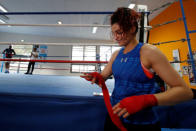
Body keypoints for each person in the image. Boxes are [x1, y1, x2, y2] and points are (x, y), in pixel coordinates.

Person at [81, 7, 193, 131]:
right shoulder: (116, 55)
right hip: (115, 118)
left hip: (142, 124)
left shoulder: (149, 52)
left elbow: (185, 92)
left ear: (132, 29)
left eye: (119, 32)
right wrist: (96, 77)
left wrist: (146, 100)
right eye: (114, 33)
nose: (116, 38)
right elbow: (103, 76)